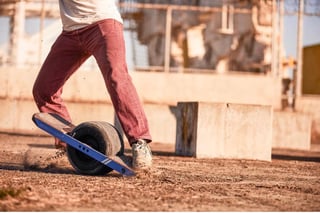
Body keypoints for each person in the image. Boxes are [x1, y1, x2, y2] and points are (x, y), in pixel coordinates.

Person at [32, 0, 152, 170]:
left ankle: (140, 142)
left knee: (116, 76)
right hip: (70, 33)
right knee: (44, 90)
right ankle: (68, 145)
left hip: (102, 23)